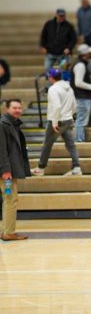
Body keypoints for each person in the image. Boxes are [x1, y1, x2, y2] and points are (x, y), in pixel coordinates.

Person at [32, 71, 81, 177]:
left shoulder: (53, 89)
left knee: (47, 144)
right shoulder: (69, 87)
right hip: (67, 119)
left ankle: (41, 168)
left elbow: (57, 106)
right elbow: (74, 105)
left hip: (57, 120)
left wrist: (54, 122)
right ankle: (77, 168)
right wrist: (70, 116)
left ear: (51, 78)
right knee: (71, 145)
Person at [0, 99, 30, 242]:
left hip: (8, 170)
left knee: (8, 199)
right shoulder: (3, 125)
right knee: (11, 199)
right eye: (14, 108)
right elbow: (1, 150)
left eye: (19, 108)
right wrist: (5, 170)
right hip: (6, 172)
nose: (18, 110)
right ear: (7, 109)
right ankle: (9, 233)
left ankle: (6, 230)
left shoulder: (12, 124)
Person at [71, 44, 91, 141]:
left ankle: (79, 140)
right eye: (89, 52)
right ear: (85, 54)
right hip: (82, 97)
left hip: (81, 96)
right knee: (81, 121)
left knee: (81, 120)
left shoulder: (80, 64)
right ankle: (79, 141)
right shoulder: (80, 65)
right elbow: (78, 82)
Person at [39, 8, 77, 73]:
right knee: (47, 68)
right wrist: (42, 46)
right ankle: (53, 77)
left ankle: (60, 78)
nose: (61, 17)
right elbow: (43, 36)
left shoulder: (69, 26)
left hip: (63, 54)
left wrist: (69, 48)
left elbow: (73, 39)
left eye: (63, 16)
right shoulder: (48, 24)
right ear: (56, 15)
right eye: (60, 16)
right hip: (50, 52)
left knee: (65, 70)